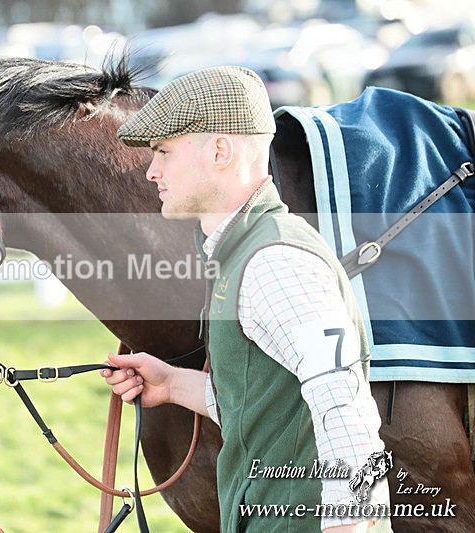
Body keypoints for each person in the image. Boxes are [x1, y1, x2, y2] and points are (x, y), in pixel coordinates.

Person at [102, 66, 391, 532]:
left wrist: (351, 523)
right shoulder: (241, 253)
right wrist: (173, 384)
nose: (152, 171)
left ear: (220, 151)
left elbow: (345, 409)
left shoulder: (275, 261)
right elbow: (268, 404)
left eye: (163, 151)